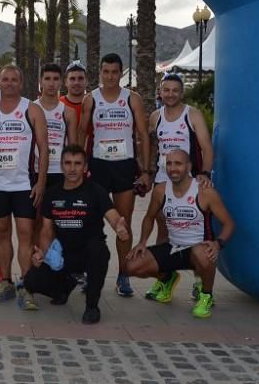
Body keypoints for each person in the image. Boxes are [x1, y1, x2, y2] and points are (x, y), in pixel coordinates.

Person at [24, 145, 131, 324]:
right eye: (68, 163)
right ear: (61, 166)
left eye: (77, 164)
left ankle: (92, 307)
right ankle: (65, 286)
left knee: (99, 252)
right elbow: (46, 230)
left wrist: (120, 228)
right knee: (32, 281)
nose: (72, 168)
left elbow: (113, 217)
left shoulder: (96, 191)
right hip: (64, 254)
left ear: (85, 167)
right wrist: (43, 254)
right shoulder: (52, 194)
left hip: (88, 252)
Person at [125, 149, 234, 318]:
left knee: (204, 253)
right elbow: (149, 217)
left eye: (178, 163)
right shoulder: (161, 190)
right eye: (169, 164)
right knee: (130, 265)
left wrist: (218, 243)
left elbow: (229, 224)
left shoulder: (205, 192)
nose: (173, 168)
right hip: (174, 247)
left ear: (189, 166)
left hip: (198, 250)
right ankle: (167, 279)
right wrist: (142, 242)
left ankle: (206, 295)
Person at [79, 53, 151, 298]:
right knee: (92, 224)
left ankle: (124, 274)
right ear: (100, 73)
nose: (110, 77)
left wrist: (146, 171)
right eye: (105, 72)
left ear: (121, 73)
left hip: (124, 167)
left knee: (124, 222)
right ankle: (92, 274)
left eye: (114, 72)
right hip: (98, 166)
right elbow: (81, 134)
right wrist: (79, 168)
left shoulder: (132, 99)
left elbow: (142, 134)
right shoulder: (91, 99)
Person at [0, 65, 48, 309]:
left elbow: (44, 148)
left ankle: (27, 286)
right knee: (1, 232)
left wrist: (41, 182)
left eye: (13, 79)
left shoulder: (32, 110)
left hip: (24, 184)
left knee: (26, 235)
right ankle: (6, 281)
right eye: (5, 79)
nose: (9, 83)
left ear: (21, 82)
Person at [148, 73, 214, 245]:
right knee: (162, 224)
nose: (170, 94)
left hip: (189, 178)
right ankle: (167, 270)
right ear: (160, 92)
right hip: (163, 177)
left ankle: (197, 261)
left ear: (182, 93)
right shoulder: (155, 116)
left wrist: (205, 173)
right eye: (166, 90)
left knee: (191, 224)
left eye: (175, 91)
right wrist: (146, 172)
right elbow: (149, 145)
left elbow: (207, 148)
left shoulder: (193, 114)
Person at [35, 63, 78, 192]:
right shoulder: (31, 109)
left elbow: (73, 146)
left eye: (55, 79)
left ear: (61, 82)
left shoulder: (69, 112)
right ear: (40, 82)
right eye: (47, 79)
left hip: (59, 171)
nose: (51, 83)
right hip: (35, 170)